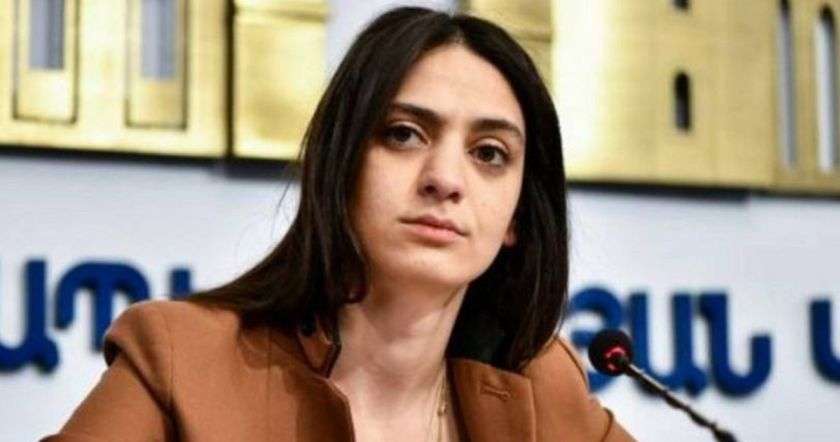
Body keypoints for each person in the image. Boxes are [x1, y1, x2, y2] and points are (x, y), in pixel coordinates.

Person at [43, 6, 633, 442]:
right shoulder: (182, 362)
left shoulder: (541, 390)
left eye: (489, 153)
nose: (445, 179)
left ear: (517, 218)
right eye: (404, 135)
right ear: (341, 167)